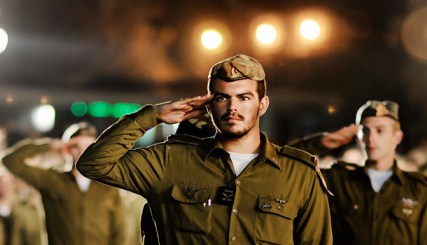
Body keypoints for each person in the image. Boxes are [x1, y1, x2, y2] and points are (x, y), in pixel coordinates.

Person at [76, 54, 333, 244]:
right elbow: (94, 164)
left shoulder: (299, 174)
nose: (233, 107)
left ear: (263, 105)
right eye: (222, 98)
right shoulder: (171, 161)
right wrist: (153, 115)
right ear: (209, 106)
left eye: (244, 97)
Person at [309, 100, 427, 244]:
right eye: (365, 131)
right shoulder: (336, 181)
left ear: (397, 137)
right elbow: (291, 166)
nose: (371, 138)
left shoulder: (418, 190)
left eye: (380, 130)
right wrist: (322, 143)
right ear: (358, 138)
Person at [2, 122, 126, 245]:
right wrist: (49, 145)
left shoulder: (107, 186)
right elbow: (11, 161)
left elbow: (119, 232)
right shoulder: (52, 180)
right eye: (76, 146)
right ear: (66, 149)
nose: (83, 151)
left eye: (88, 146)